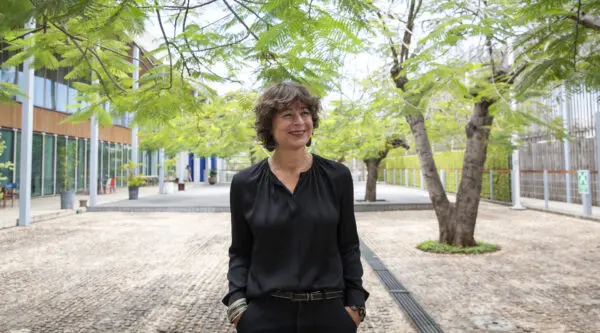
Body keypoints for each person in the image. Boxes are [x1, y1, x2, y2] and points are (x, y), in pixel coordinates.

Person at [223, 82, 369, 332]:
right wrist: (238, 307)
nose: (299, 122)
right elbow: (240, 251)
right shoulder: (245, 183)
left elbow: (349, 245)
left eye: (305, 113)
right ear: (269, 124)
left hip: (329, 315)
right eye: (288, 115)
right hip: (265, 317)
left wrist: (355, 307)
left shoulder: (337, 176)